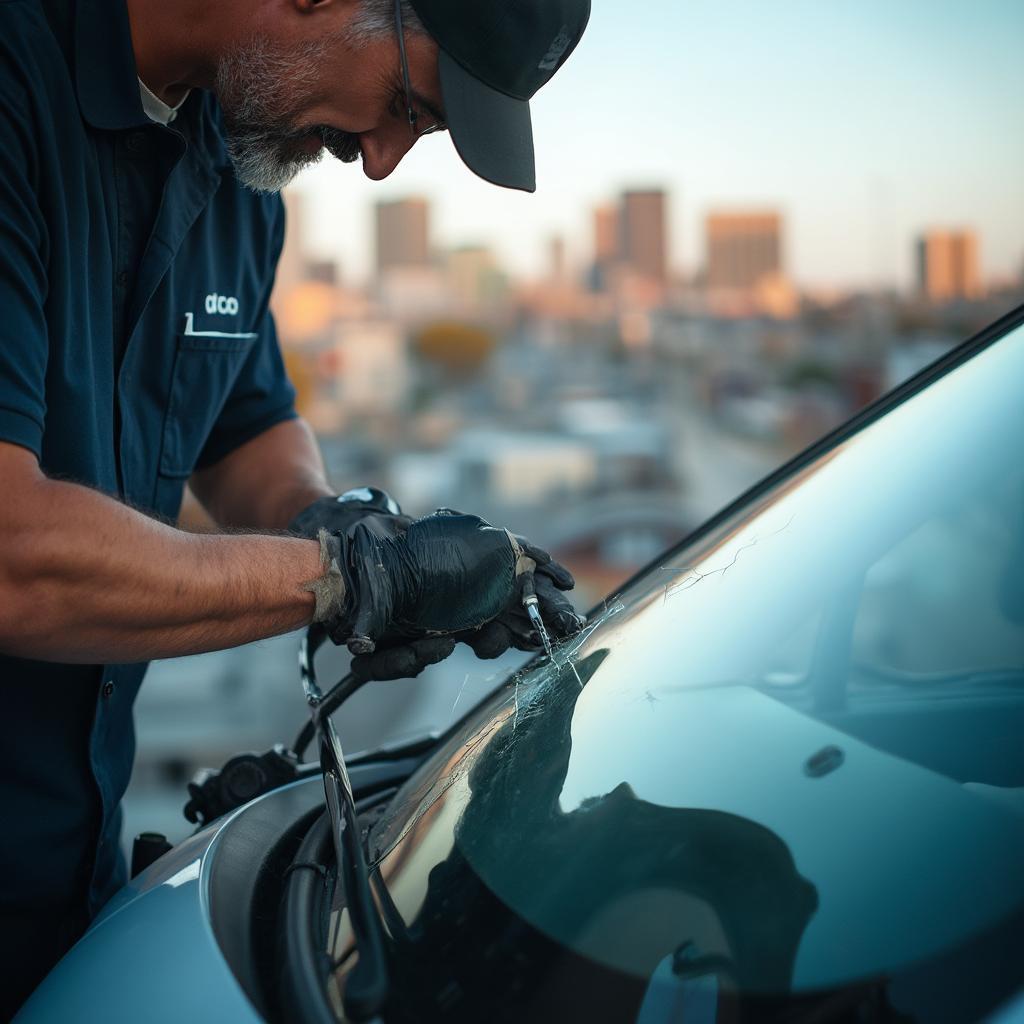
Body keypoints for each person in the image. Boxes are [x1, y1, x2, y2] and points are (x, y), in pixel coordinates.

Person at [0, 0, 591, 1013]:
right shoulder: (14, 86)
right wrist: (354, 582)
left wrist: (351, 526)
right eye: (407, 105)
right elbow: (12, 557)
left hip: (57, 898)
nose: (381, 160)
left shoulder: (233, 181)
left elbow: (247, 433)